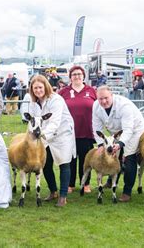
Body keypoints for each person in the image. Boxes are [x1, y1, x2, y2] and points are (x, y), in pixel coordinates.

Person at [92, 85, 144, 202]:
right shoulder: (96, 106)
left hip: (134, 130)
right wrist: (100, 144)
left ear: (112, 95)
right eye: (100, 99)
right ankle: (110, 182)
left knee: (128, 156)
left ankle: (127, 191)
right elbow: (96, 127)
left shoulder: (123, 105)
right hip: (115, 132)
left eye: (106, 98)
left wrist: (120, 144)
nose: (103, 101)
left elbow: (128, 129)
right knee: (112, 155)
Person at [29, 75, 75, 207]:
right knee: (45, 163)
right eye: (35, 88)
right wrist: (31, 135)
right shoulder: (34, 103)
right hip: (44, 135)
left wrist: (40, 134)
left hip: (62, 134)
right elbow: (32, 121)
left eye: (40, 87)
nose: (38, 90)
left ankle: (63, 196)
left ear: (46, 86)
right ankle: (53, 191)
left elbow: (55, 123)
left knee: (64, 163)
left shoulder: (56, 100)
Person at [57, 66, 96, 194]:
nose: (77, 76)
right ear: (70, 77)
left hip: (86, 131)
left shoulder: (91, 91)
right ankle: (70, 183)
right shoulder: (64, 92)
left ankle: (85, 183)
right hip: (68, 132)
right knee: (70, 159)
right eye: (74, 74)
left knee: (86, 160)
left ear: (83, 76)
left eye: (79, 74)